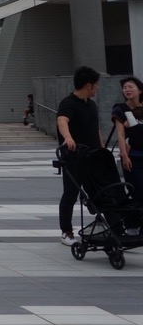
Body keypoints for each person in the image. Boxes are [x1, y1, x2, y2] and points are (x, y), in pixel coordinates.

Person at [56, 65, 103, 246]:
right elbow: (62, 120)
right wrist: (68, 138)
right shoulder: (68, 103)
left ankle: (106, 227)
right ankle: (66, 232)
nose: (98, 88)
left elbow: (95, 128)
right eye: (96, 84)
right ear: (88, 85)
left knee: (99, 191)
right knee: (70, 193)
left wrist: (102, 148)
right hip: (74, 157)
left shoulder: (92, 105)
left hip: (93, 156)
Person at [112, 76, 143, 199]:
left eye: (130, 87)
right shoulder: (120, 108)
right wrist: (124, 155)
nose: (127, 90)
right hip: (133, 155)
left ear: (140, 90)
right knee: (138, 190)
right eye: (124, 88)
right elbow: (120, 133)